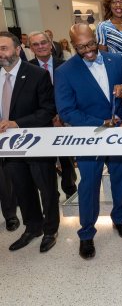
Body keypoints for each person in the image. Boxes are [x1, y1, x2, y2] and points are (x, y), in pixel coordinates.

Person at [55, 24, 122, 260]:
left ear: (95, 39)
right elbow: (67, 111)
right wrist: (101, 122)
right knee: (88, 185)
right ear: (72, 44)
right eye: (80, 47)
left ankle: (119, 220)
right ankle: (86, 233)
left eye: (90, 44)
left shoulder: (115, 60)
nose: (88, 51)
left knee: (120, 178)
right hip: (89, 136)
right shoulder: (65, 71)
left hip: (118, 132)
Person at [0, 31, 59, 253]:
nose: (1, 53)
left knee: (46, 188)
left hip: (36, 143)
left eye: (4, 48)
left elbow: (47, 110)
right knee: (22, 188)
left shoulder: (36, 75)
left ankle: (51, 229)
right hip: (8, 148)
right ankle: (32, 227)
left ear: (17, 50)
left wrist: (17, 123)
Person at [29, 31, 77, 199]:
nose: (40, 46)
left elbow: (73, 92)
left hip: (64, 119)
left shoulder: (66, 66)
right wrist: (48, 116)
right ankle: (50, 194)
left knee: (67, 159)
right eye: (36, 44)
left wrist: (61, 115)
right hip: (40, 122)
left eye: (43, 42)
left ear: (51, 44)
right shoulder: (27, 68)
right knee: (45, 161)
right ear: (31, 48)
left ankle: (70, 189)